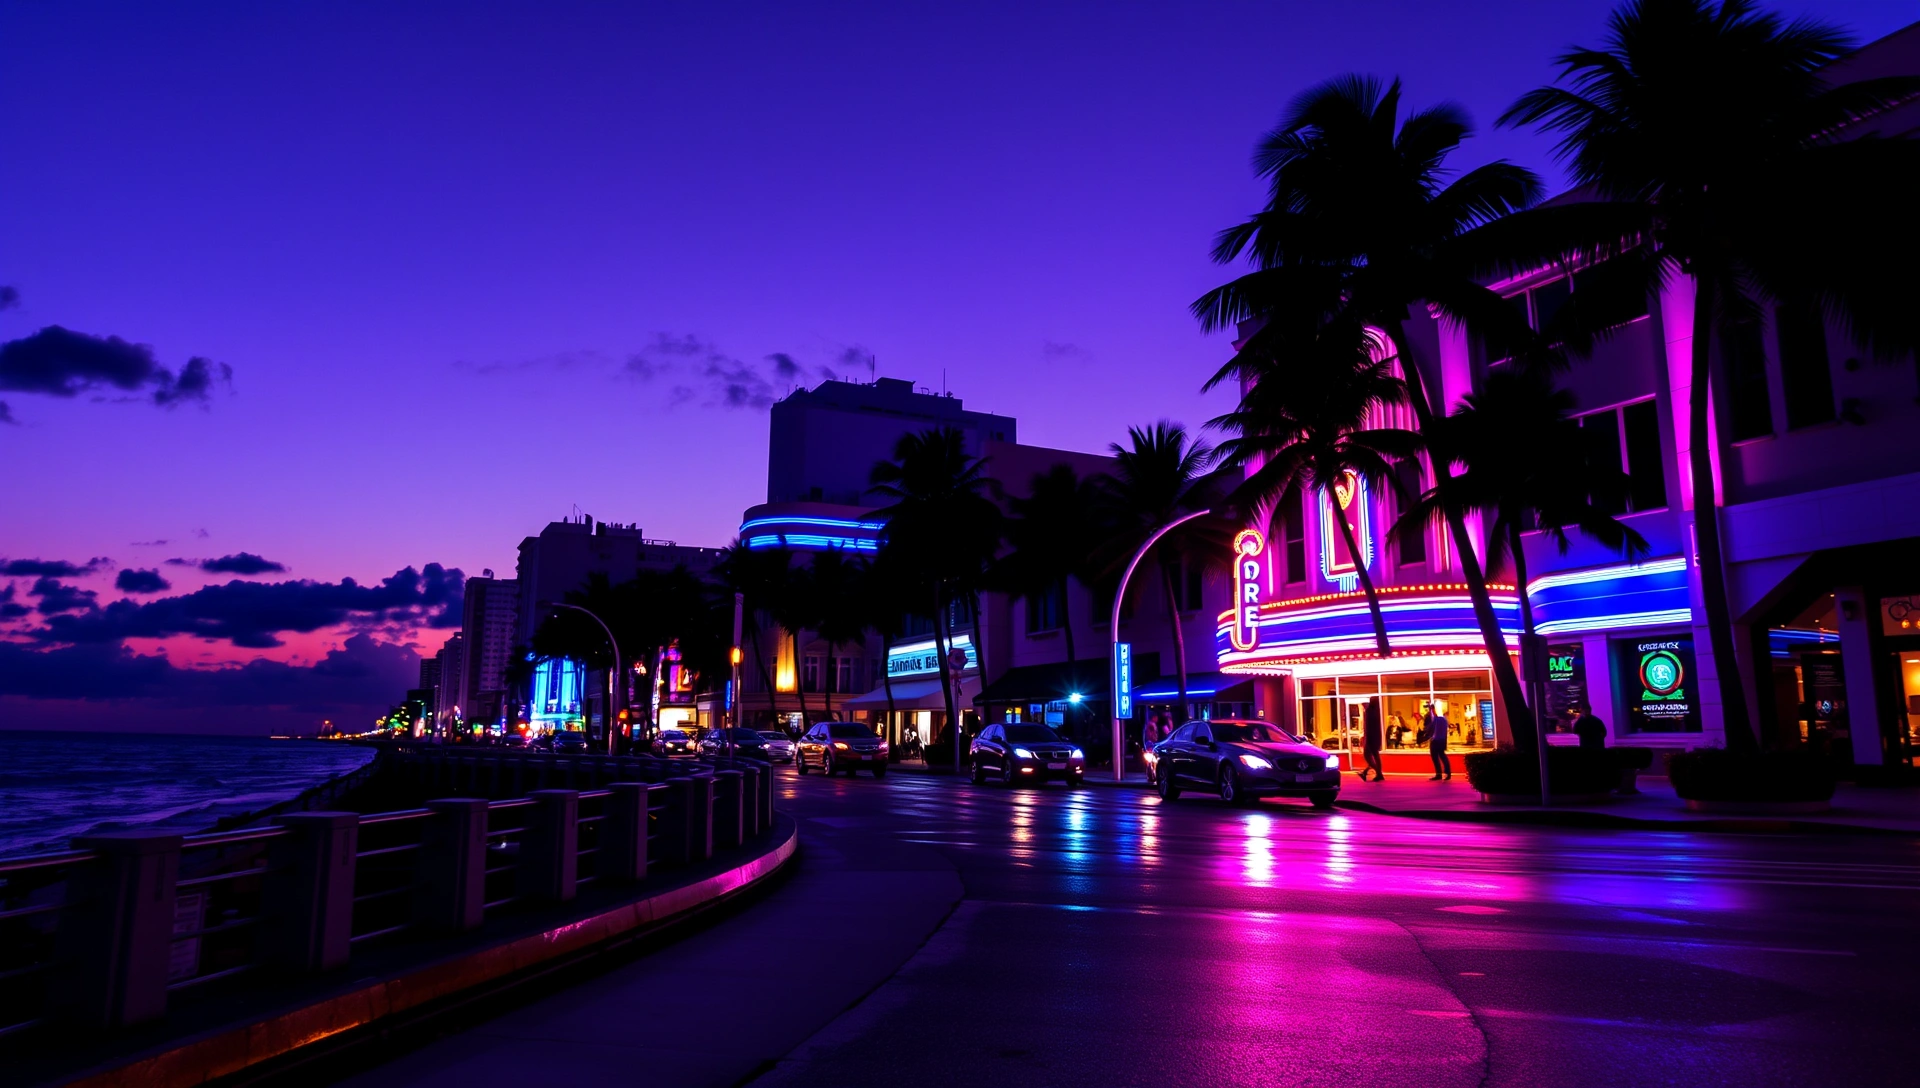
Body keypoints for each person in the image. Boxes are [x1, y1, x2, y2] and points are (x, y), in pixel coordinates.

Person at [1361, 698, 1385, 782]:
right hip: (1376, 736)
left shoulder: (1369, 711)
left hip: (1371, 737)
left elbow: (1368, 726)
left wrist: (1366, 737)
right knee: (1374, 755)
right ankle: (1376, 772)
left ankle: (1378, 773)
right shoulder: (1377, 711)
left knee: (1368, 755)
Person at [1426, 704, 1451, 781]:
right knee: (1443, 756)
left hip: (1436, 740)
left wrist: (1431, 709)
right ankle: (1448, 773)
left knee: (1435, 758)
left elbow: (1430, 728)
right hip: (1442, 740)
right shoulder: (1444, 720)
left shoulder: (1437, 719)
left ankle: (1438, 774)